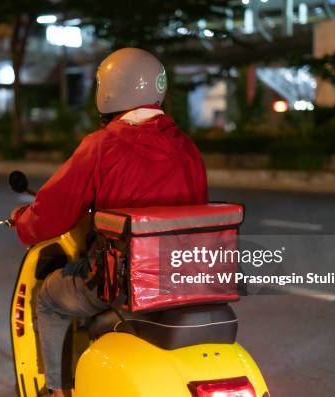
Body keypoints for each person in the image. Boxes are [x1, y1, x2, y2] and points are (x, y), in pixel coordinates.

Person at [12, 47, 208, 397]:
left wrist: (22, 221)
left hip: (126, 284)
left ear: (108, 89)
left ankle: (56, 391)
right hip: (184, 278)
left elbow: (49, 214)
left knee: (48, 298)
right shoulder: (187, 149)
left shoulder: (101, 146)